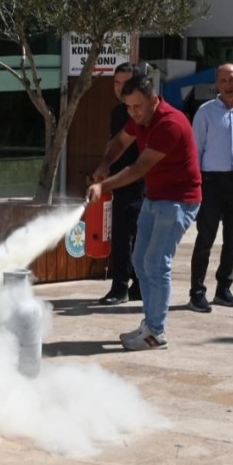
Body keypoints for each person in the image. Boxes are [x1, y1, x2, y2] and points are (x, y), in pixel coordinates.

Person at [88, 73, 202, 351]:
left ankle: (155, 332)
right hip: (155, 197)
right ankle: (150, 323)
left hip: (178, 201)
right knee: (140, 260)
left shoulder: (170, 123)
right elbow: (119, 142)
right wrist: (104, 164)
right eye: (128, 106)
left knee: (156, 263)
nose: (133, 112)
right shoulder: (140, 118)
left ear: (153, 100)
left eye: (137, 106)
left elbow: (139, 168)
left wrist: (103, 186)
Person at [185, 63, 233, 312]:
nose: (228, 85)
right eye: (223, 80)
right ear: (217, 84)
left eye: (232, 80)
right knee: (205, 238)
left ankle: (223, 288)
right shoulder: (205, 112)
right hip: (211, 182)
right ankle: (197, 291)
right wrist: (194, 185)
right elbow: (195, 151)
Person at [97, 62, 145, 305]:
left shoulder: (142, 112)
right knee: (125, 234)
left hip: (139, 179)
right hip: (120, 179)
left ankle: (122, 287)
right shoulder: (118, 112)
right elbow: (115, 142)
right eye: (116, 83)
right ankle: (131, 285)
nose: (120, 88)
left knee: (130, 235)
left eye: (125, 83)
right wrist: (104, 167)